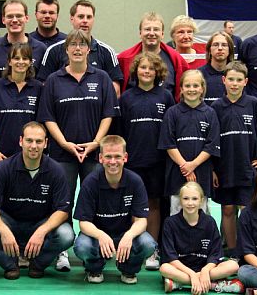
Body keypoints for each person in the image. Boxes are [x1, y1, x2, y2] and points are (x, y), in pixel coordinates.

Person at [37, 29, 119, 272]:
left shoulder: (102, 77)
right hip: (64, 154)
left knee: (97, 200)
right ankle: (61, 250)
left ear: (88, 50)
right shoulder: (54, 80)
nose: (77, 49)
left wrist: (96, 142)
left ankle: (94, 249)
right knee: (62, 202)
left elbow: (108, 114)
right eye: (72, 45)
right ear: (66, 50)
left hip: (94, 153)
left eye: (81, 45)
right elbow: (47, 117)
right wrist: (64, 143)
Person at [0, 122, 74, 279]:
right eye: (29, 140)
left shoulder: (56, 170)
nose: (34, 146)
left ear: (46, 143)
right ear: (21, 141)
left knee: (66, 235)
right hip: (10, 222)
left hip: (40, 223)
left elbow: (63, 210)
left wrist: (42, 231)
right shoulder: (4, 168)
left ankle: (38, 264)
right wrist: (3, 230)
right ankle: (10, 264)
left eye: (39, 141)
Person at [116, 51, 174, 270]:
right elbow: (120, 132)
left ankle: (152, 250)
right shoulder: (127, 98)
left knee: (155, 204)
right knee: (133, 206)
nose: (147, 72)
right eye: (143, 68)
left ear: (157, 72)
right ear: (135, 71)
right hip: (133, 162)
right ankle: (130, 246)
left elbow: (170, 130)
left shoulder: (166, 97)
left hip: (158, 161)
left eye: (151, 68)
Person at [73, 135, 157, 284]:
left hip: (124, 235)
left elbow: (141, 221)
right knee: (82, 246)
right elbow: (84, 222)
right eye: (108, 156)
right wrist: (100, 235)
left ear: (125, 157)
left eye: (117, 156)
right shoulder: (90, 182)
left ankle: (128, 269)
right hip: (97, 237)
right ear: (100, 158)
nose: (113, 162)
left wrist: (129, 235)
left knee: (148, 244)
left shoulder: (135, 181)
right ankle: (95, 268)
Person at [211, 61, 257, 258]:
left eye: (238, 80)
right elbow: (210, 141)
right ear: (223, 80)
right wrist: (212, 169)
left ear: (245, 82)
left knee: (247, 211)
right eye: (230, 80)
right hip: (224, 169)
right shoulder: (216, 107)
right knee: (227, 210)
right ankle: (234, 251)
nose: (234, 84)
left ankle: (248, 252)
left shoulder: (254, 104)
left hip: (248, 169)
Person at [160, 182, 242, 294]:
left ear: (201, 200)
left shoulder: (209, 222)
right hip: (181, 269)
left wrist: (205, 270)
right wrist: (192, 274)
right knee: (164, 268)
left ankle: (180, 282)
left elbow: (215, 253)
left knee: (233, 265)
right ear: (180, 200)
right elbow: (171, 257)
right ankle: (212, 285)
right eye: (186, 198)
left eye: (194, 199)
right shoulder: (170, 223)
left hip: (206, 268)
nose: (190, 203)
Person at [158, 70, 219, 216]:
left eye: (196, 85)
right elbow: (169, 143)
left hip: (201, 172)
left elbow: (211, 145)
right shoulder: (172, 113)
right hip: (177, 172)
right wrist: (185, 166)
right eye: (188, 85)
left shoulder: (210, 113)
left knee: (201, 213)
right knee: (176, 212)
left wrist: (193, 165)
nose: (192, 89)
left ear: (202, 88)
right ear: (181, 89)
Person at [37, 0, 123, 95]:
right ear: (72, 18)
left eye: (89, 17)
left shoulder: (106, 51)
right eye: (81, 16)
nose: (85, 21)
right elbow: (44, 85)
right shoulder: (53, 50)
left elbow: (116, 88)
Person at [0, 43, 42, 170]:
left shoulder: (38, 88)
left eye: (25, 58)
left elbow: (41, 124)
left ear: (30, 62)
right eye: (16, 58)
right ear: (9, 61)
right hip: (0, 156)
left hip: (29, 157)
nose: (21, 62)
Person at [117, 12, 188, 99]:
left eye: (156, 29)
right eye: (147, 29)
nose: (151, 33)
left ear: (162, 34)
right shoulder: (123, 60)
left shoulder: (177, 61)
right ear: (140, 33)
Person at [0, 0, 47, 81]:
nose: (15, 20)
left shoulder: (41, 49)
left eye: (19, 16)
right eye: (10, 16)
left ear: (26, 18)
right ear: (3, 20)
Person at [198, 31, 234, 105]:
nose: (220, 48)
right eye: (215, 45)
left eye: (224, 45)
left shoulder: (236, 75)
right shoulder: (199, 75)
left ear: (229, 50)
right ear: (209, 50)